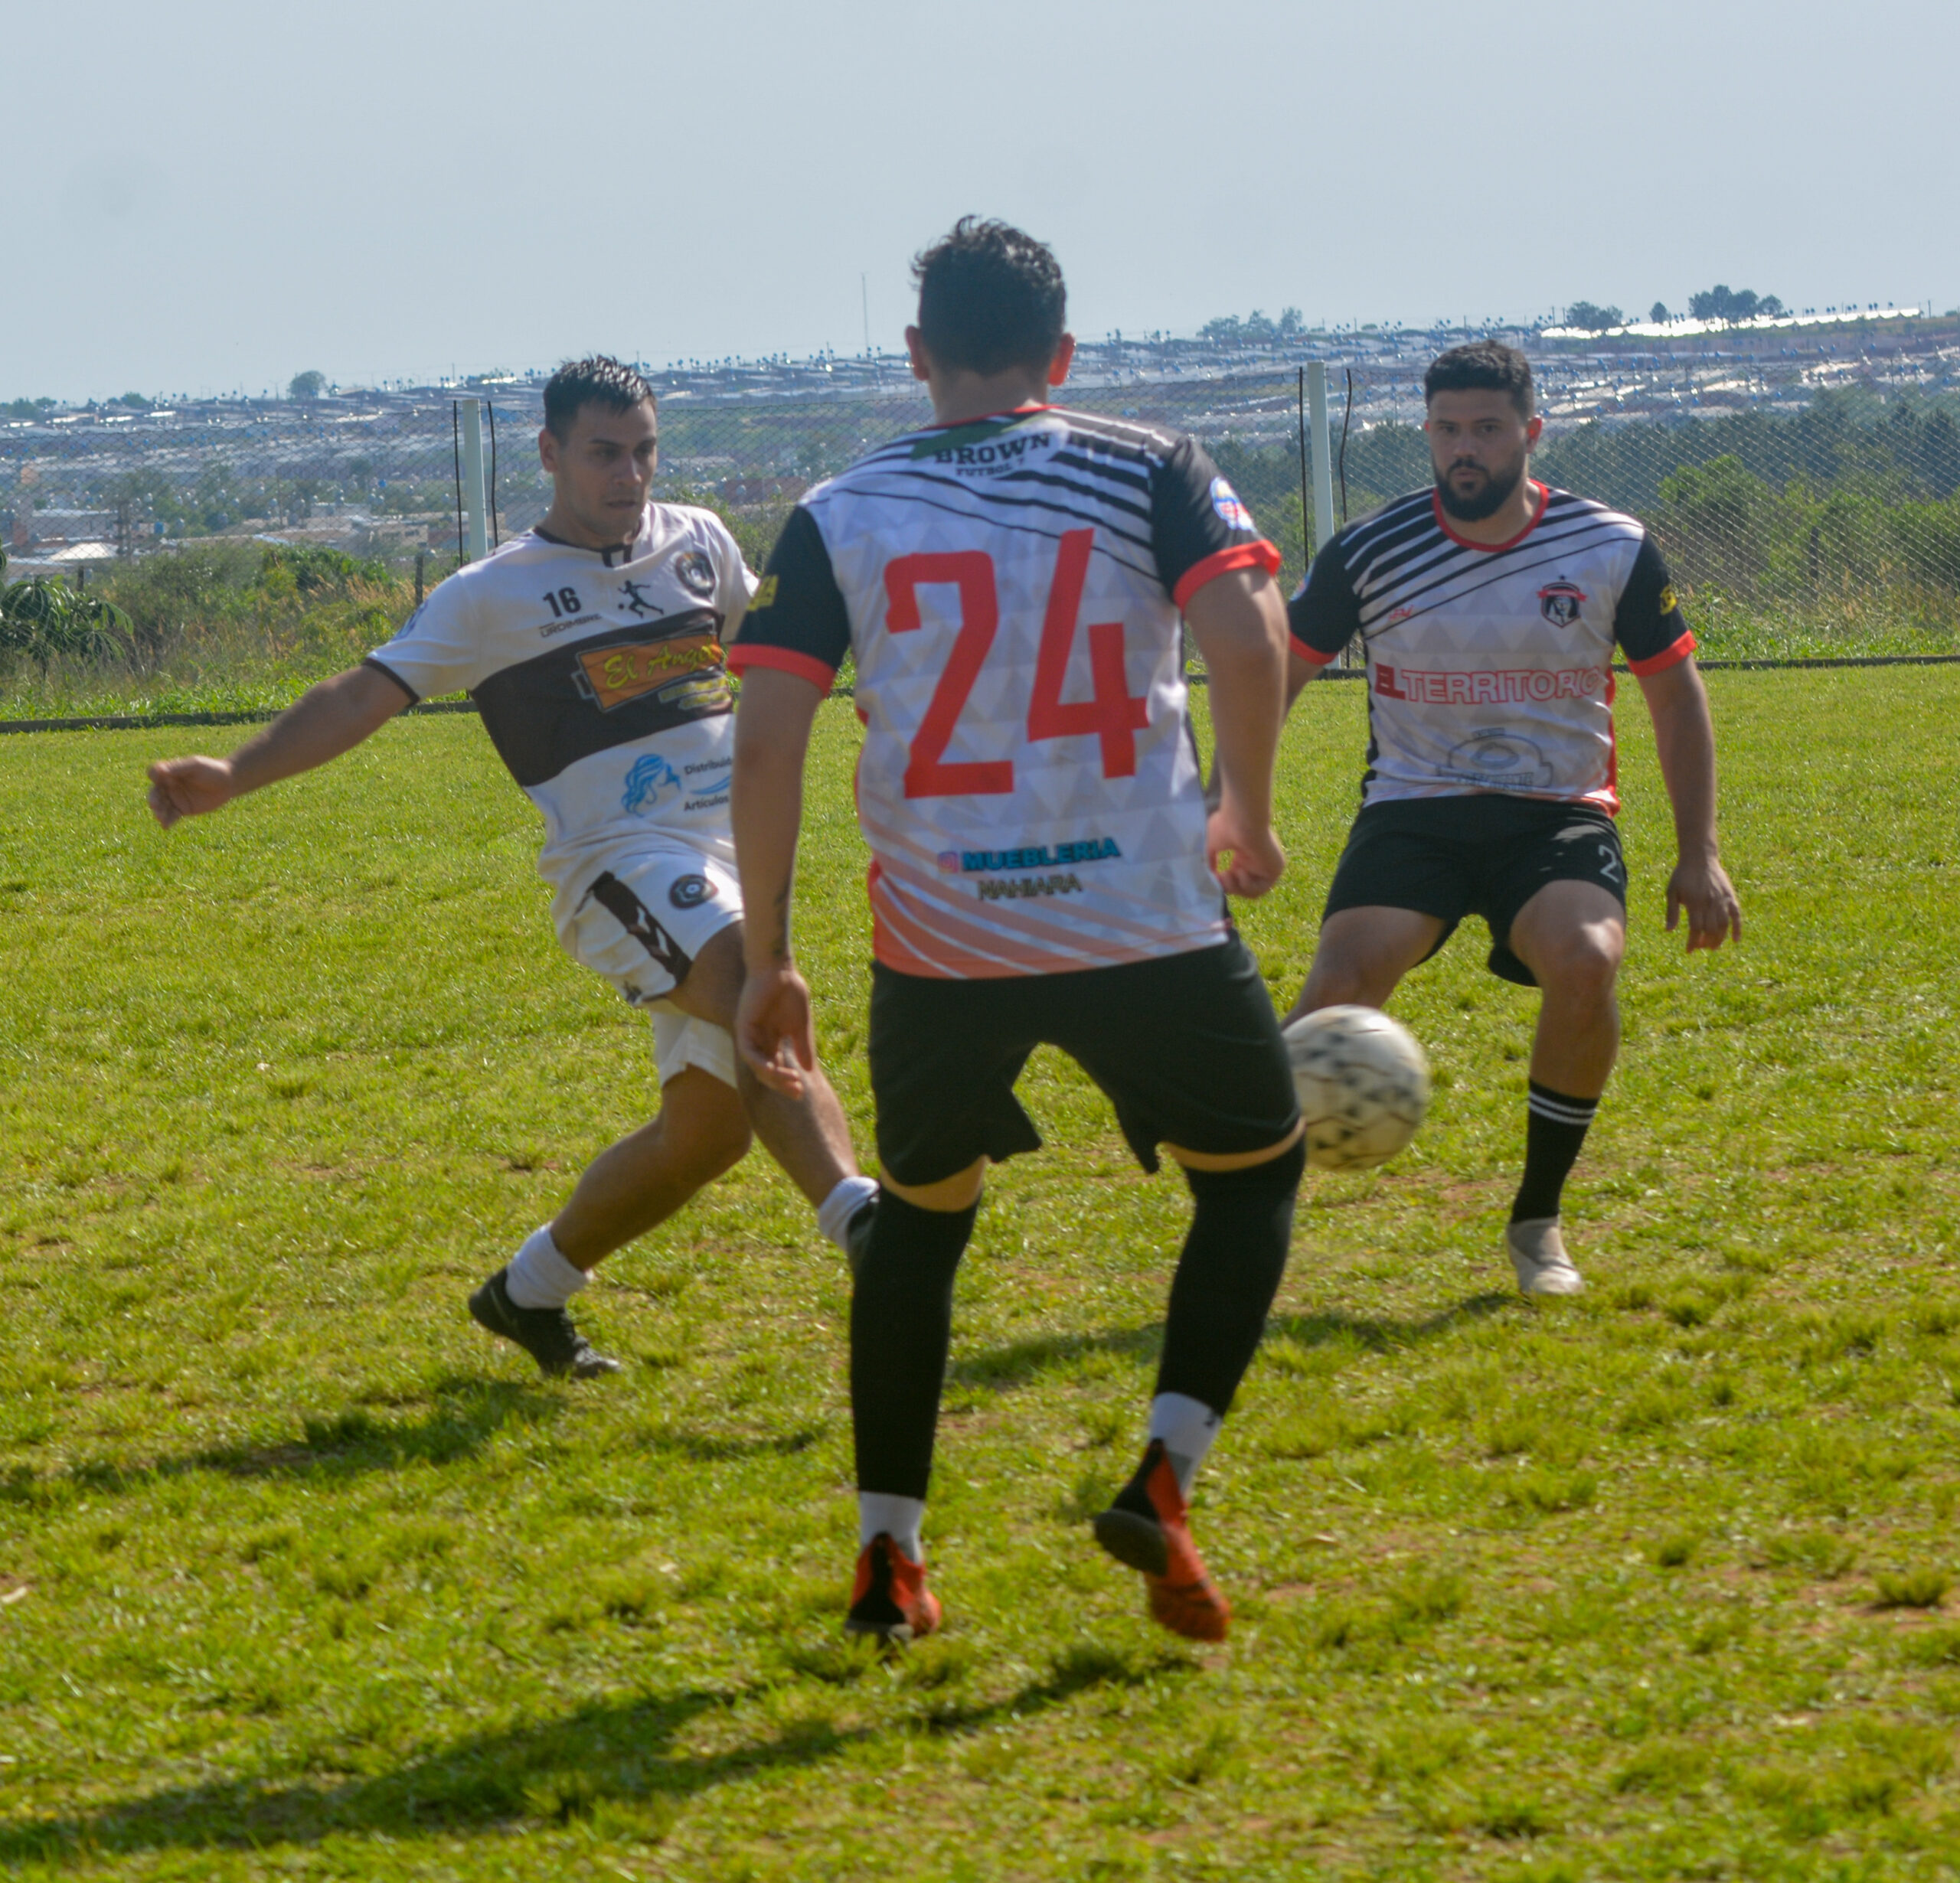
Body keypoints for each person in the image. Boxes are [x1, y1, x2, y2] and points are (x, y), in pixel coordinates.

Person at [726, 219, 1305, 1646]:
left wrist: (771, 957)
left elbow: (769, 738)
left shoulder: (839, 509)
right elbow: (1248, 634)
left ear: (916, 353)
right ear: (1064, 353)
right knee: (1255, 1179)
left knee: (920, 1228)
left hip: (944, 941)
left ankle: (889, 1556)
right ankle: (1164, 1477)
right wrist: (1245, 806)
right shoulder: (1150, 464)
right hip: (1143, 918)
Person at [146, 356, 876, 1378]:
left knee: (705, 1137)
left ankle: (526, 1294)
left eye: (644, 452)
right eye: (604, 453)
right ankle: (866, 1227)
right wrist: (235, 772)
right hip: (619, 864)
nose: (630, 475)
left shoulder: (700, 542)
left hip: (729, 860)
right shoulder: (492, 594)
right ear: (549, 453)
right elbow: (360, 695)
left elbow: (763, 661)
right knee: (752, 985)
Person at [1284, 339, 1741, 1297]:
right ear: (1426, 433)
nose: (1465, 448)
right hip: (1414, 811)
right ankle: (1253, 1193)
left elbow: (1674, 696)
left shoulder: (1608, 546)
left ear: (1530, 432)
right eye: (1447, 429)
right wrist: (1230, 801)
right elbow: (1275, 670)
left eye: (1487, 428)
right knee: (1339, 985)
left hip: (1555, 816)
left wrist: (1697, 852)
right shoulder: (1370, 550)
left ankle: (1537, 1223)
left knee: (1586, 960)